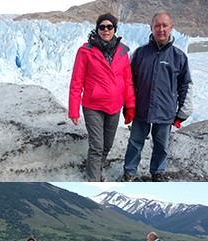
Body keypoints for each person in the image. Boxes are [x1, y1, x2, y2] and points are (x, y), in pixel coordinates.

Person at [121, 11, 193, 182]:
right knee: (135, 143)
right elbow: (128, 82)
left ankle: (158, 172)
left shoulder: (179, 56)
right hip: (141, 109)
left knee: (161, 146)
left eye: (164, 25)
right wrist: (128, 105)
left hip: (165, 111)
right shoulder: (140, 54)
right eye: (157, 26)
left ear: (171, 28)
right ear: (151, 28)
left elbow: (185, 85)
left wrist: (183, 112)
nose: (161, 29)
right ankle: (129, 172)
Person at [68, 13, 136, 181]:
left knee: (107, 144)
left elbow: (127, 82)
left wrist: (130, 106)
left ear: (115, 29)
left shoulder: (122, 52)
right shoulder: (86, 51)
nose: (106, 30)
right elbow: (76, 81)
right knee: (97, 145)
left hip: (114, 106)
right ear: (97, 29)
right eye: (102, 27)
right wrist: (74, 110)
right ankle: (94, 178)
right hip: (93, 106)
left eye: (109, 27)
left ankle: (96, 165)